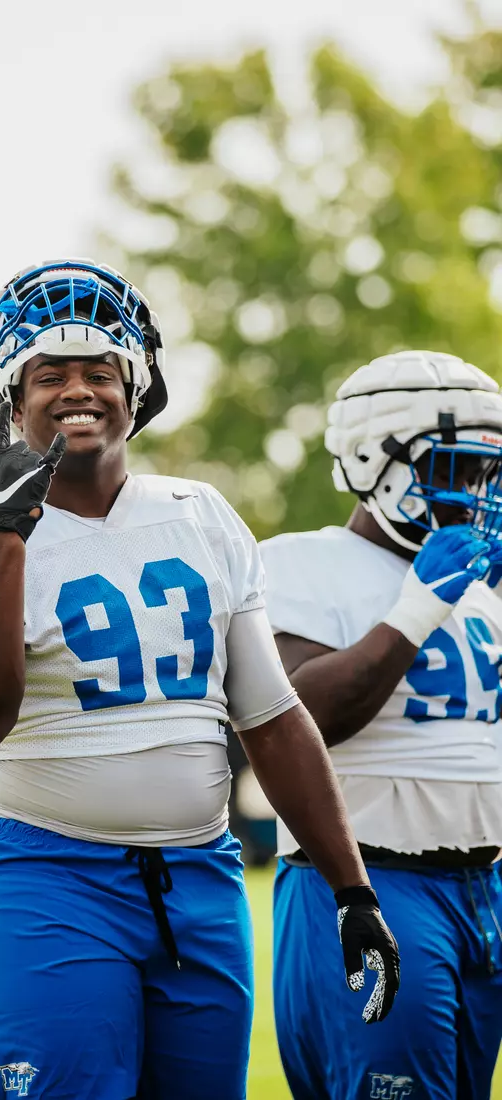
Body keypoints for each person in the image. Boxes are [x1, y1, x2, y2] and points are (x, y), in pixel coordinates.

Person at [0, 259, 400, 1100]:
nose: (77, 390)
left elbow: (273, 718)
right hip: (49, 878)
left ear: (137, 385)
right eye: (48, 373)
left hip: (202, 878)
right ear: (8, 397)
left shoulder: (201, 515)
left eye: (100, 370)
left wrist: (353, 888)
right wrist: (5, 536)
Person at [261, 350, 502, 1100]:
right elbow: (299, 718)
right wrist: (414, 611)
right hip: (369, 880)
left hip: (483, 884)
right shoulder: (299, 564)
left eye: (485, 473)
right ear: (376, 460)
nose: (473, 493)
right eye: (454, 469)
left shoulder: (483, 581)